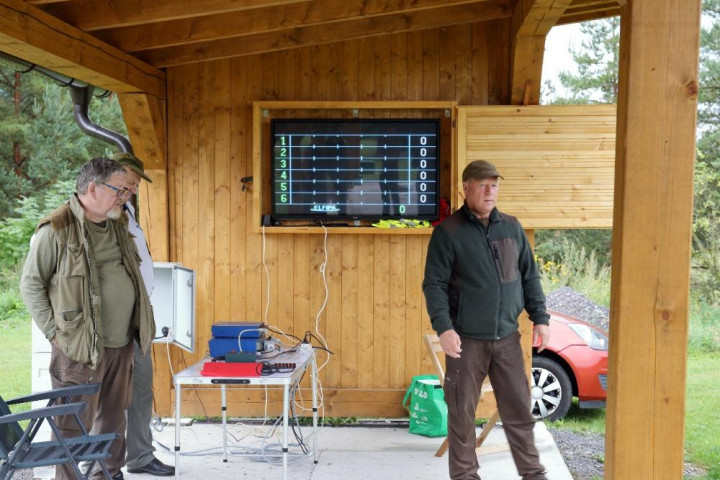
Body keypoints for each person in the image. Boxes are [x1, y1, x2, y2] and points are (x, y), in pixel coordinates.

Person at [20, 157, 155, 480]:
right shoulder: (57, 228)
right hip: (78, 346)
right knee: (72, 424)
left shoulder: (117, 223)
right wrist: (54, 332)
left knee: (113, 420)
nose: (125, 197)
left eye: (126, 191)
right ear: (92, 188)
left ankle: (105, 474)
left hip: (121, 340)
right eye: (119, 190)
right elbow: (31, 284)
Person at [422, 160, 551, 480]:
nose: (490, 190)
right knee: (462, 413)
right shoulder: (448, 232)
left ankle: (533, 474)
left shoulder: (512, 227)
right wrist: (444, 328)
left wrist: (540, 316)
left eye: (494, 184)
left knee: (519, 410)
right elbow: (434, 285)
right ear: (465, 188)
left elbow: (529, 276)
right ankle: (465, 476)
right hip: (466, 341)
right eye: (482, 184)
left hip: (507, 338)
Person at [113, 153, 175, 476]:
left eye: (136, 184)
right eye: (131, 182)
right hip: (117, 317)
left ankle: (139, 456)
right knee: (112, 393)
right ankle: (104, 462)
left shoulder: (128, 209)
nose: (135, 189)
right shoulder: (104, 214)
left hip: (139, 313)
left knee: (141, 386)